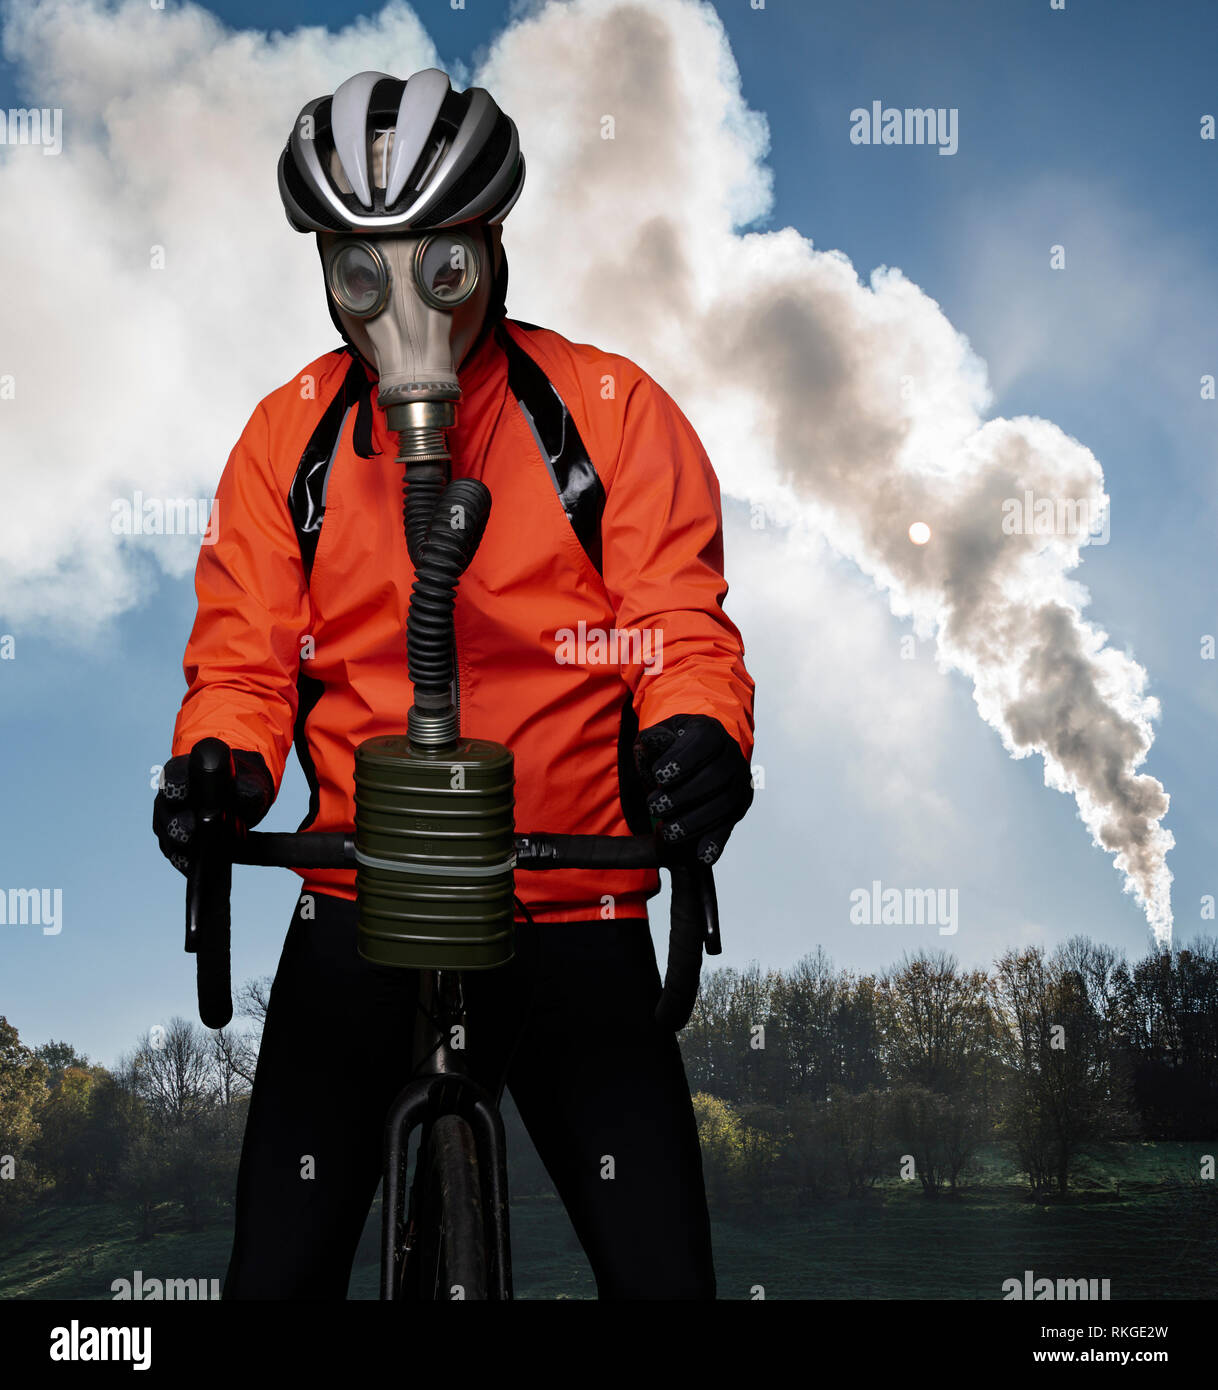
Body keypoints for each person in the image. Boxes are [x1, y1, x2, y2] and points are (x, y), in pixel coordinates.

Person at [153, 69, 755, 1301]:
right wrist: (219, 767)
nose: (400, 313)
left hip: (571, 912)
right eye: (360, 275)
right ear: (325, 271)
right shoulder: (290, 439)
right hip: (358, 905)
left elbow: (675, 621)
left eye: (437, 268)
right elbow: (245, 653)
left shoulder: (610, 414)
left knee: (666, 1283)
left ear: (492, 244)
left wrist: (698, 734)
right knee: (271, 1277)